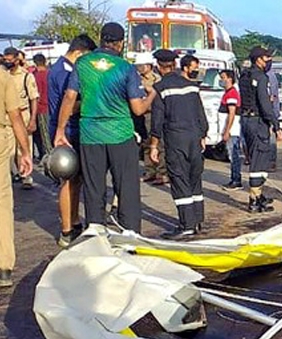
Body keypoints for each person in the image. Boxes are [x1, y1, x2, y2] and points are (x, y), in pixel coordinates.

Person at [54, 22, 156, 234]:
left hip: (91, 134)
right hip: (120, 134)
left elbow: (70, 97)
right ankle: (131, 235)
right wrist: (152, 96)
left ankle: (96, 233)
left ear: (101, 40)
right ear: (120, 44)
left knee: (94, 188)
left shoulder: (82, 64)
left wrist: (60, 131)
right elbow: (137, 109)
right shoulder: (125, 67)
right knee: (126, 188)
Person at [150, 51, 208, 238]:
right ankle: (198, 221)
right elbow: (201, 114)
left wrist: (153, 146)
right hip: (194, 138)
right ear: (175, 64)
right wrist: (203, 135)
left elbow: (157, 121)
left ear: (158, 66)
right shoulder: (192, 86)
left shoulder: (160, 88)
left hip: (176, 139)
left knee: (179, 180)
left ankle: (186, 225)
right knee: (194, 180)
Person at [48, 33, 97, 248]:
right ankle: (67, 229)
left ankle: (75, 221)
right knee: (69, 180)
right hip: (68, 131)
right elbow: (68, 104)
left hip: (72, 129)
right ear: (78, 53)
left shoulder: (62, 68)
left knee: (76, 181)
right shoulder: (65, 72)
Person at [0, 61, 34, 287]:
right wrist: (25, 152)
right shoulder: (2, 76)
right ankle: (3, 267)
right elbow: (16, 117)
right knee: (0, 201)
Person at [238, 46, 282, 212]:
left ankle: (259, 194)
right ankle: (254, 199)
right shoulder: (261, 77)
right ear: (258, 59)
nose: (269, 61)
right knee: (259, 159)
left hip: (247, 120)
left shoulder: (245, 75)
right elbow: (265, 105)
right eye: (266, 58)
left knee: (256, 156)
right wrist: (276, 125)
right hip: (258, 122)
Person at [4, 47, 38, 189]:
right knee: (8, 150)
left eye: (10, 59)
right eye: (6, 59)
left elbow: (34, 98)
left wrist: (32, 119)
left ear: (17, 60)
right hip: (6, 117)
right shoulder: (4, 75)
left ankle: (26, 176)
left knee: (24, 147)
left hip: (23, 114)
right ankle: (12, 174)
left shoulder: (26, 76)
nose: (7, 62)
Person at [134, 53, 167, 185]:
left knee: (159, 144)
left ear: (149, 66)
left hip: (155, 115)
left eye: (142, 66)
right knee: (146, 144)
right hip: (141, 115)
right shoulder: (136, 79)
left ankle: (161, 172)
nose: (140, 68)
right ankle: (150, 171)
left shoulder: (157, 80)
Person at [218, 69, 242, 189]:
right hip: (230, 130)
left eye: (223, 78)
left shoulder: (232, 93)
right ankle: (234, 179)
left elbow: (232, 113)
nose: (221, 80)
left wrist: (227, 130)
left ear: (230, 79)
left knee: (234, 156)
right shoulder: (228, 93)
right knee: (232, 155)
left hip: (233, 131)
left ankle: (236, 180)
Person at [32, 53, 50, 162]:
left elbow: (37, 94)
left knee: (45, 135)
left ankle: (49, 157)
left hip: (42, 108)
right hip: (51, 106)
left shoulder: (37, 77)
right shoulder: (50, 73)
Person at [266, 54, 280, 171]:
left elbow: (272, 97)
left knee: (271, 137)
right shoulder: (269, 75)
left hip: (270, 112)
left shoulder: (269, 76)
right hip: (270, 111)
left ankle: (271, 162)